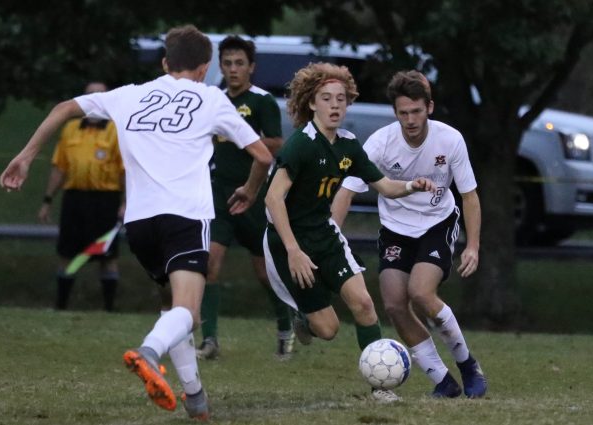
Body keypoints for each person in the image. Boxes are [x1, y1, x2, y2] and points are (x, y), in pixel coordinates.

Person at [0, 25, 273, 421]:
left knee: (171, 307)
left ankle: (195, 398)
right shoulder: (212, 99)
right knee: (189, 312)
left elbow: (64, 108)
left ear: (165, 63)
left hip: (141, 225)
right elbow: (263, 156)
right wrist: (249, 191)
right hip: (184, 217)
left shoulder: (128, 95)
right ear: (206, 66)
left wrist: (26, 155)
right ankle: (148, 351)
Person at [262, 62, 435, 403]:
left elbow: (384, 186)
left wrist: (411, 185)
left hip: (324, 236)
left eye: (341, 98)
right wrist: (294, 250)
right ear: (312, 103)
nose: (335, 105)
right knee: (327, 330)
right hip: (289, 242)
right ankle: (304, 318)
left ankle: (380, 388)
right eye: (326, 98)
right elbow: (272, 198)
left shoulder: (349, 145)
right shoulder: (301, 145)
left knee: (364, 304)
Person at [331, 70, 488, 399]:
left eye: (416, 111)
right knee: (394, 304)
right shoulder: (380, 143)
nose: (411, 120)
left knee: (420, 293)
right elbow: (346, 192)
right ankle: (442, 381)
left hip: (437, 223)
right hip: (395, 230)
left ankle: (467, 363)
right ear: (395, 113)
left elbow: (470, 195)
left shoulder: (450, 140)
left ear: (429, 107)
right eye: (403, 113)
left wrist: (472, 246)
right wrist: (331, 238)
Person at [197, 35, 294, 361]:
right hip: (220, 194)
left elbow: (277, 143)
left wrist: (244, 141)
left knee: (264, 272)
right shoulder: (215, 100)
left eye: (240, 63)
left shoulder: (262, 101)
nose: (234, 69)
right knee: (209, 263)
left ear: (251, 67)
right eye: (227, 63)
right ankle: (209, 341)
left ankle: (285, 327)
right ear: (219, 67)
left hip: (253, 193)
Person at [38, 81, 124, 312]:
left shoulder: (117, 130)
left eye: (100, 96)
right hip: (75, 199)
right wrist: (47, 200)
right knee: (67, 252)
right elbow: (59, 167)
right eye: (90, 96)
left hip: (105, 200)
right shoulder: (70, 128)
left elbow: (126, 170)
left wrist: (126, 202)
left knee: (107, 255)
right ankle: (61, 306)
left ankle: (109, 309)